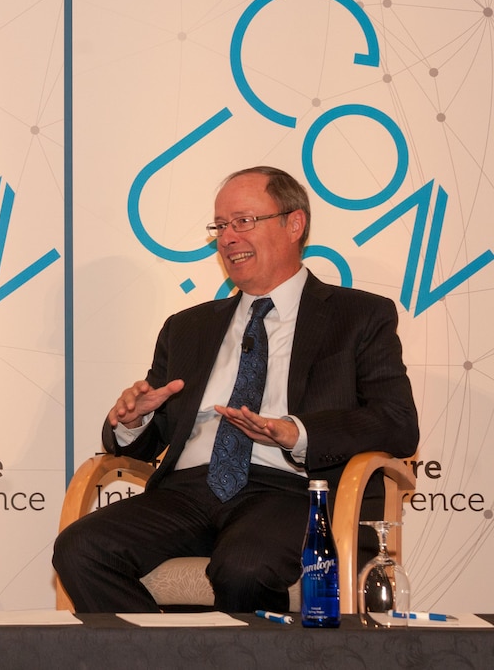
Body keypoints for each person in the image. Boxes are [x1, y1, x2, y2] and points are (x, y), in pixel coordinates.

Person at [52, 166, 419, 613]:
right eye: (220, 226)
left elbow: (397, 424)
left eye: (243, 221)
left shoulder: (359, 316)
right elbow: (153, 439)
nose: (227, 238)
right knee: (80, 548)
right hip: (185, 492)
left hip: (289, 491)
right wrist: (136, 421)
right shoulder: (187, 327)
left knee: (245, 567)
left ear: (294, 223)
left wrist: (297, 433)